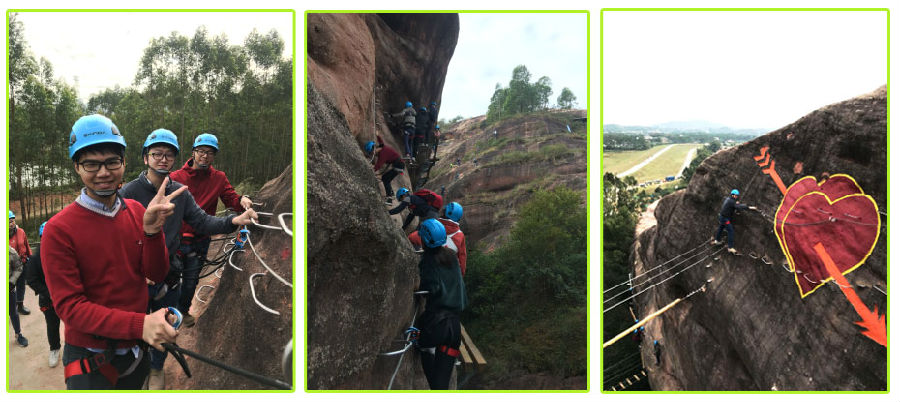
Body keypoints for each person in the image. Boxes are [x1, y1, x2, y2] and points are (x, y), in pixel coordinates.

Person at [42, 114, 182, 390]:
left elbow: (156, 273)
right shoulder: (59, 230)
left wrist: (152, 234)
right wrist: (139, 325)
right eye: (91, 164)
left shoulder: (137, 212)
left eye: (111, 162)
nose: (103, 172)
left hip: (134, 349)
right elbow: (71, 308)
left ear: (124, 163)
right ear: (77, 167)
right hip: (91, 358)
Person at [120, 129, 258, 389]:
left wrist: (233, 220)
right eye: (157, 154)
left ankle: (157, 368)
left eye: (169, 154)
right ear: (145, 157)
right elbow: (116, 236)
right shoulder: (128, 192)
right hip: (135, 277)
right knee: (134, 326)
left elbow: (202, 221)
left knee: (166, 323)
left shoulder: (180, 192)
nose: (163, 159)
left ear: (175, 158)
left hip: (167, 273)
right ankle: (135, 371)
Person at [169, 133, 254, 328]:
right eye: (201, 151)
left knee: (191, 279)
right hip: (176, 238)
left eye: (209, 153)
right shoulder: (176, 177)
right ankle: (167, 313)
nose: (204, 156)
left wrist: (242, 200)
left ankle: (183, 309)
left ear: (214, 155)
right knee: (170, 277)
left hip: (200, 238)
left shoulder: (218, 178)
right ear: (193, 152)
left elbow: (231, 197)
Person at [415, 219, 466, 390]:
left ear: (425, 240)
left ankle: (426, 350)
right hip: (454, 329)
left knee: (435, 384)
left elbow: (431, 287)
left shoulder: (428, 261)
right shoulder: (451, 256)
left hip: (435, 328)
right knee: (442, 386)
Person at [25, 222, 61, 366]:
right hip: (48, 299)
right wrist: (49, 293)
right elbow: (32, 280)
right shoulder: (35, 259)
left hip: (66, 296)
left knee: (74, 322)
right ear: (41, 238)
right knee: (52, 324)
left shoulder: (63, 253)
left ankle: (78, 347)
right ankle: (54, 348)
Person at [407, 202, 467, 275]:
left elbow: (412, 237)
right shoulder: (460, 236)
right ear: (458, 218)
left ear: (444, 212)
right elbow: (462, 258)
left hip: (428, 271)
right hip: (448, 274)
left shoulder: (432, 226)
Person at [712, 189, 757, 254]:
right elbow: (739, 207)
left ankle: (717, 240)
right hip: (725, 219)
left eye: (737, 196)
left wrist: (735, 203)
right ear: (732, 195)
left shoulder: (728, 199)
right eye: (736, 196)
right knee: (730, 231)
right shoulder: (732, 201)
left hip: (722, 217)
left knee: (721, 228)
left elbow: (733, 204)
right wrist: (750, 207)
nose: (736, 197)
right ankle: (730, 248)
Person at [367, 138, 405, 205]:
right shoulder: (382, 147)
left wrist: (371, 170)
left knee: (385, 179)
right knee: (386, 178)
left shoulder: (382, 153)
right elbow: (381, 141)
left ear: (373, 149)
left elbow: (378, 165)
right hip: (399, 165)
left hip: (398, 165)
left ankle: (389, 198)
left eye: (371, 152)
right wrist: (378, 135)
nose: (373, 154)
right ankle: (391, 193)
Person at [8, 210, 32, 315]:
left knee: (21, 285)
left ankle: (20, 306)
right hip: (10, 267)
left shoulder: (21, 232)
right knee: (10, 287)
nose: (10, 223)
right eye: (8, 221)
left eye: (12, 221)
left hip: (22, 263)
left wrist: (30, 259)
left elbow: (27, 246)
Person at [8, 246, 27, 347]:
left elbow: (18, 267)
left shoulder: (10, 251)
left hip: (8, 289)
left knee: (13, 312)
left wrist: (12, 282)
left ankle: (18, 334)